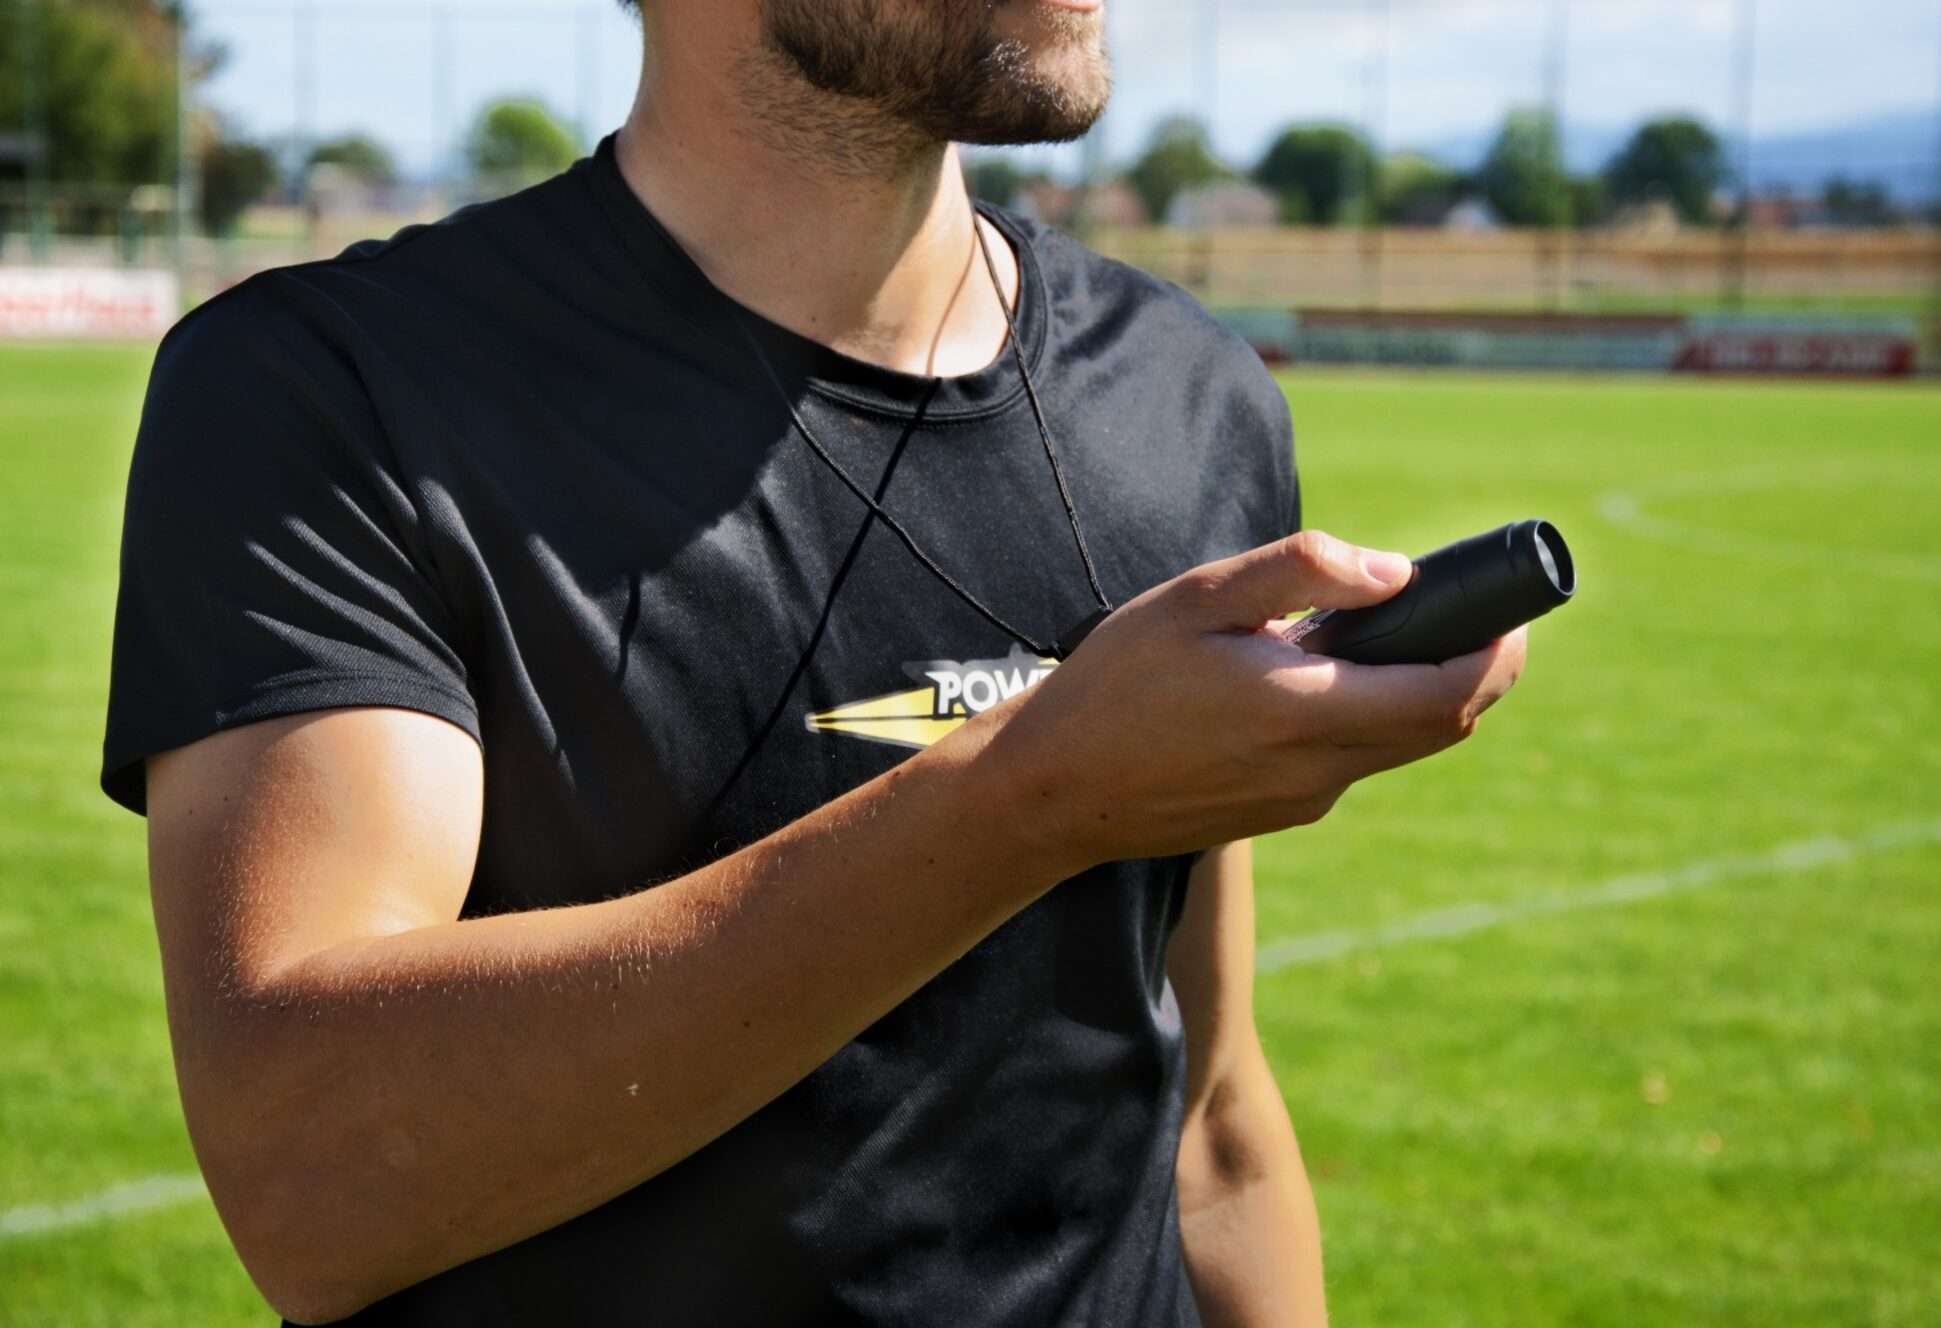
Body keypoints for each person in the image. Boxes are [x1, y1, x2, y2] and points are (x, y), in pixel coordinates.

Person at [100, 0, 1528, 1322]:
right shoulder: (330, 397)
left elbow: (1210, 1125)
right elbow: (313, 1180)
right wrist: (1029, 793)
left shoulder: (1191, 398)